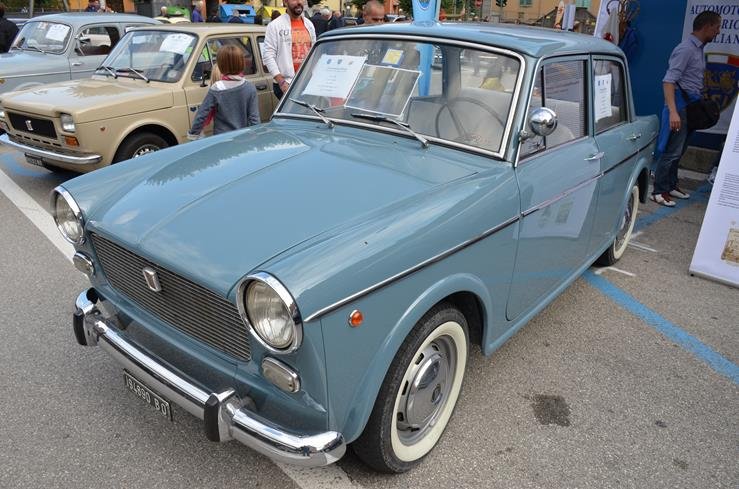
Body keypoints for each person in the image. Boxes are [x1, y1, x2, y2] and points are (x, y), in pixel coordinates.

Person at [650, 10, 721, 207]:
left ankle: (671, 185)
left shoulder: (698, 49)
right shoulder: (686, 49)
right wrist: (673, 112)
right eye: (717, 27)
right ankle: (658, 191)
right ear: (707, 26)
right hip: (679, 107)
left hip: (691, 107)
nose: (718, 32)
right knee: (672, 151)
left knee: (680, 151)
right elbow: (668, 81)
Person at [187, 45, 260, 138]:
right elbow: (254, 118)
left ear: (221, 65)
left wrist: (193, 133)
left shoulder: (217, 88)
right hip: (243, 138)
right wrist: (255, 137)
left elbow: (202, 115)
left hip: (222, 139)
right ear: (242, 63)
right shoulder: (250, 87)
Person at [263, 0, 316, 99]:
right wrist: (281, 82)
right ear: (285, 2)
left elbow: (314, 52)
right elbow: (268, 56)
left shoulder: (309, 24)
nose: (299, 2)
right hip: (286, 84)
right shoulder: (275, 25)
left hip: (307, 82)